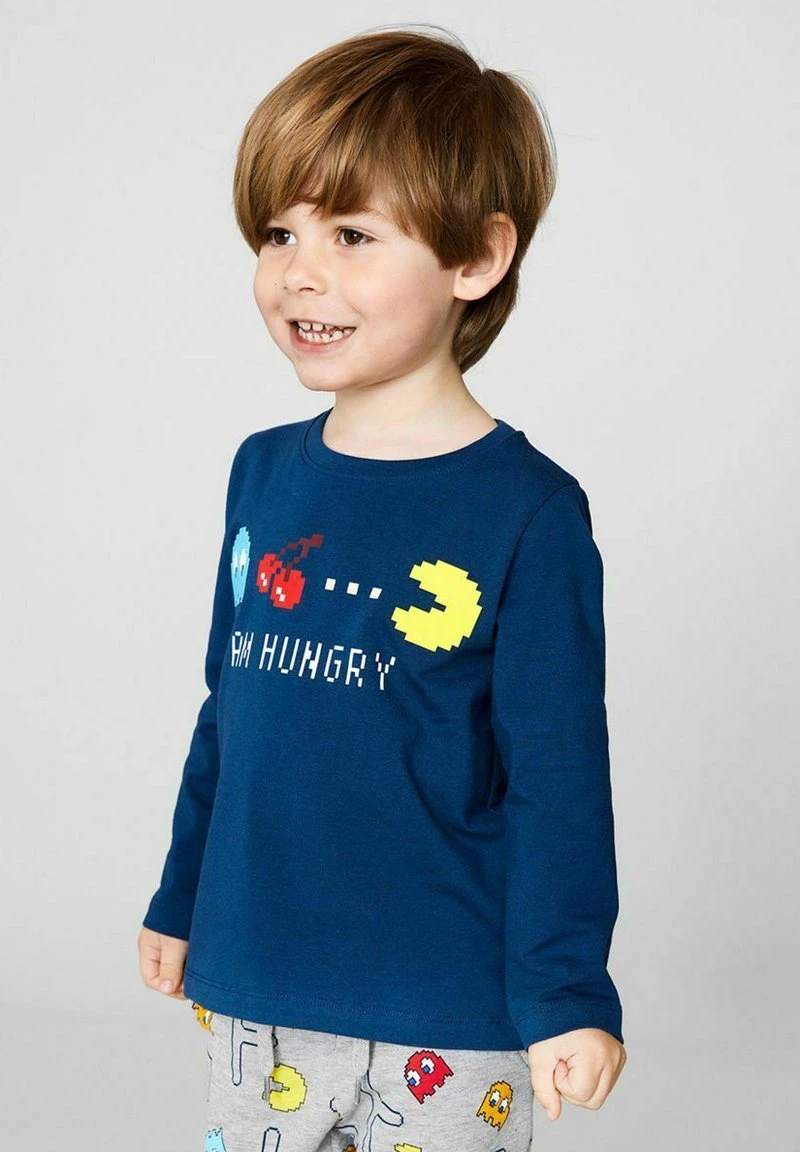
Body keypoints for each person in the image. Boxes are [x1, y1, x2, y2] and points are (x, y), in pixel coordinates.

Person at [138, 24, 626, 1151]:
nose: (300, 273)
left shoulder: (529, 513)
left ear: (476, 258)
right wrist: (181, 895)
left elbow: (556, 778)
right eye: (279, 233)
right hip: (259, 983)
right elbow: (230, 712)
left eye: (352, 234)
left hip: (447, 1004)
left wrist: (566, 992)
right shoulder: (263, 473)